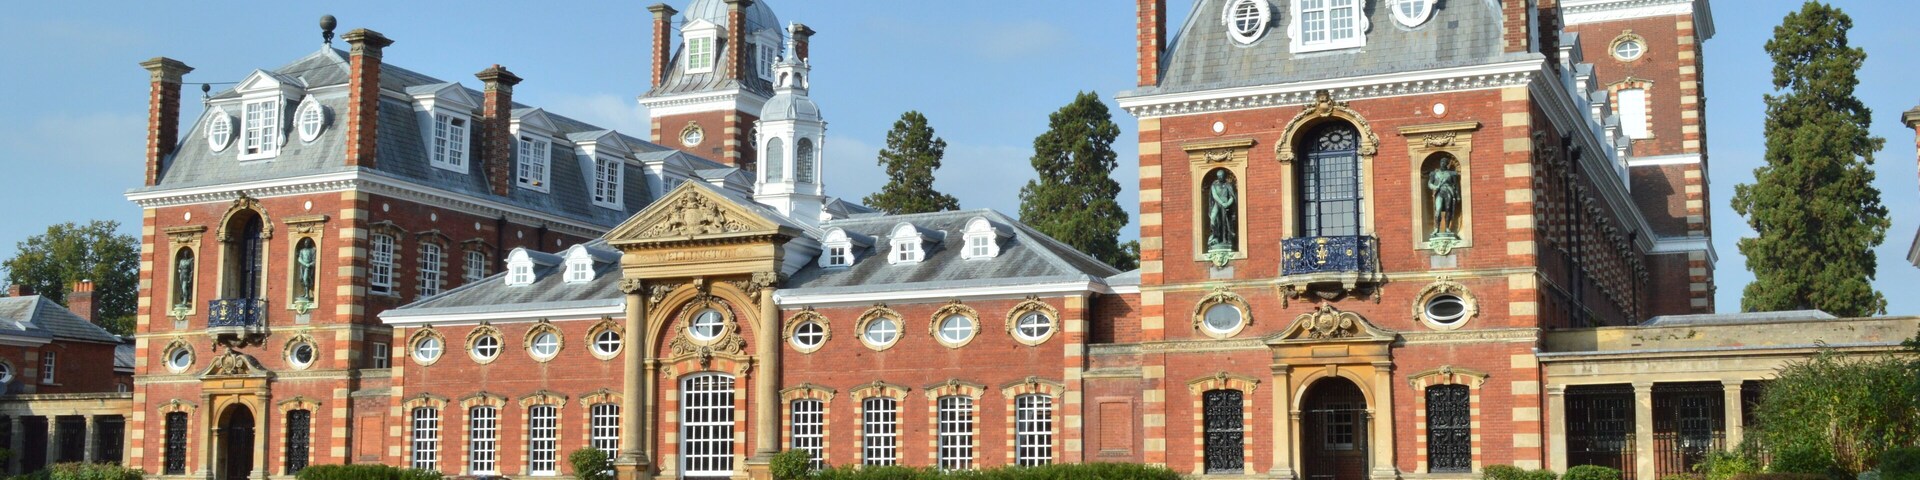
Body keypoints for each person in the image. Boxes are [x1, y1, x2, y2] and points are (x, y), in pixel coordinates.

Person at [1429, 157, 1461, 237]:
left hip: (1449, 191)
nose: (1443, 163)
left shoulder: (1451, 173)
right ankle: (1437, 228)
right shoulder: (1435, 173)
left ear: (1447, 164)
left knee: (1448, 209)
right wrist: (1435, 187)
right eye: (1441, 161)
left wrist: (1457, 196)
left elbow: (1456, 185)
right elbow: (1429, 183)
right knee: (1438, 209)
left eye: (1444, 162)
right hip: (1439, 192)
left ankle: (1447, 227)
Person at [1207, 170, 1237, 251]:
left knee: (1225, 222)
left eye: (1221, 176)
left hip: (1226, 203)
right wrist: (1221, 203)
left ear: (1224, 176)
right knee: (1213, 218)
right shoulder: (1214, 184)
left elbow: (1232, 196)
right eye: (1218, 176)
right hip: (1218, 203)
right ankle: (1215, 235)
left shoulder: (1228, 184)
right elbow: (1214, 195)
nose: (1220, 177)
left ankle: (1226, 239)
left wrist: (1227, 204)